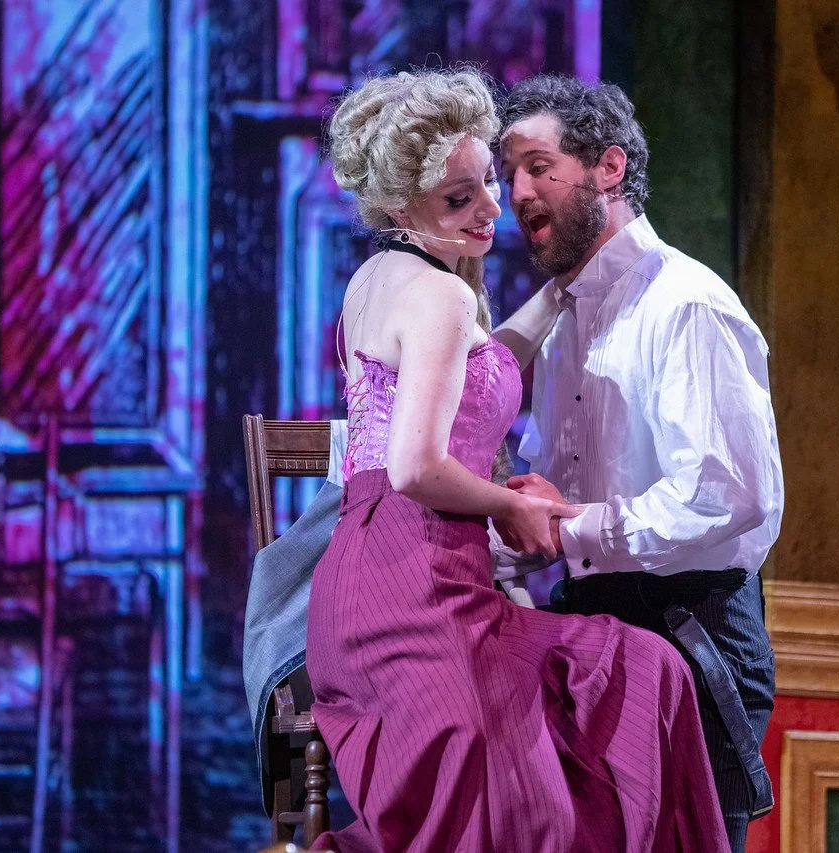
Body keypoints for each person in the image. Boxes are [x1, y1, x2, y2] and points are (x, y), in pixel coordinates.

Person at [304, 68, 729, 853]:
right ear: (401, 209)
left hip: (371, 586)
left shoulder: (376, 278)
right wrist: (511, 506)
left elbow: (471, 374)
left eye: (486, 185)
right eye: (457, 202)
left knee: (635, 672)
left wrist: (561, 291)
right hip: (416, 589)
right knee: (629, 691)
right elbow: (414, 466)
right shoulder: (443, 297)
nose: (492, 210)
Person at [494, 75, 785, 853]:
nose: (515, 191)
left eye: (535, 166)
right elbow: (545, 491)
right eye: (507, 172)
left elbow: (726, 493)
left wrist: (571, 525)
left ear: (609, 167)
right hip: (592, 628)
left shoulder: (685, 303)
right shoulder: (563, 326)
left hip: (692, 637)